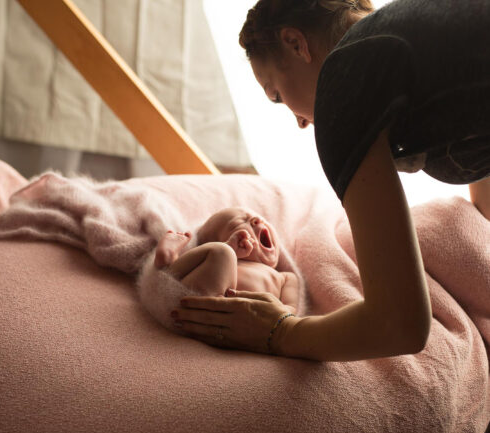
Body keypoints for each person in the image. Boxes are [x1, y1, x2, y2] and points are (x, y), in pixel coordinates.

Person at [175, 0, 490, 362]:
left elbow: (399, 325)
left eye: (277, 95)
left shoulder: (344, 81)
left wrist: (277, 330)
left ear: (296, 43)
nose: (300, 122)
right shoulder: (411, 35)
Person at [139, 207, 302, 352]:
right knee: (222, 252)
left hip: (241, 323)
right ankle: (168, 261)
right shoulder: (227, 259)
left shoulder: (286, 277)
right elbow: (212, 260)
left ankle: (169, 263)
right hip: (199, 299)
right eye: (240, 223)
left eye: (256, 218)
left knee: (223, 252)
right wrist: (229, 247)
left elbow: (290, 311)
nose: (256, 220)